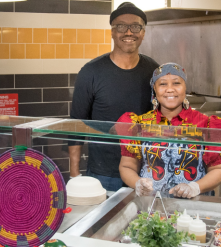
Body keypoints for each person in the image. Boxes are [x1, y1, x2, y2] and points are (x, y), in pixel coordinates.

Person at [68, 2, 159, 191]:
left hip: (145, 172)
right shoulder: (91, 72)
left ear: (143, 32)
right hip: (103, 172)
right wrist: (74, 174)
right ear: (112, 31)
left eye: (135, 26)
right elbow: (76, 124)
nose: (128, 32)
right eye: (121, 26)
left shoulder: (153, 70)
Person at [117, 63, 221, 198]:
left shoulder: (206, 125)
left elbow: (219, 169)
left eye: (176, 83)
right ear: (154, 89)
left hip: (193, 209)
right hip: (151, 205)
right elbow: (127, 167)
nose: (170, 89)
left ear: (185, 88)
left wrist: (195, 187)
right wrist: (138, 183)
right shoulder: (139, 124)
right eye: (163, 84)